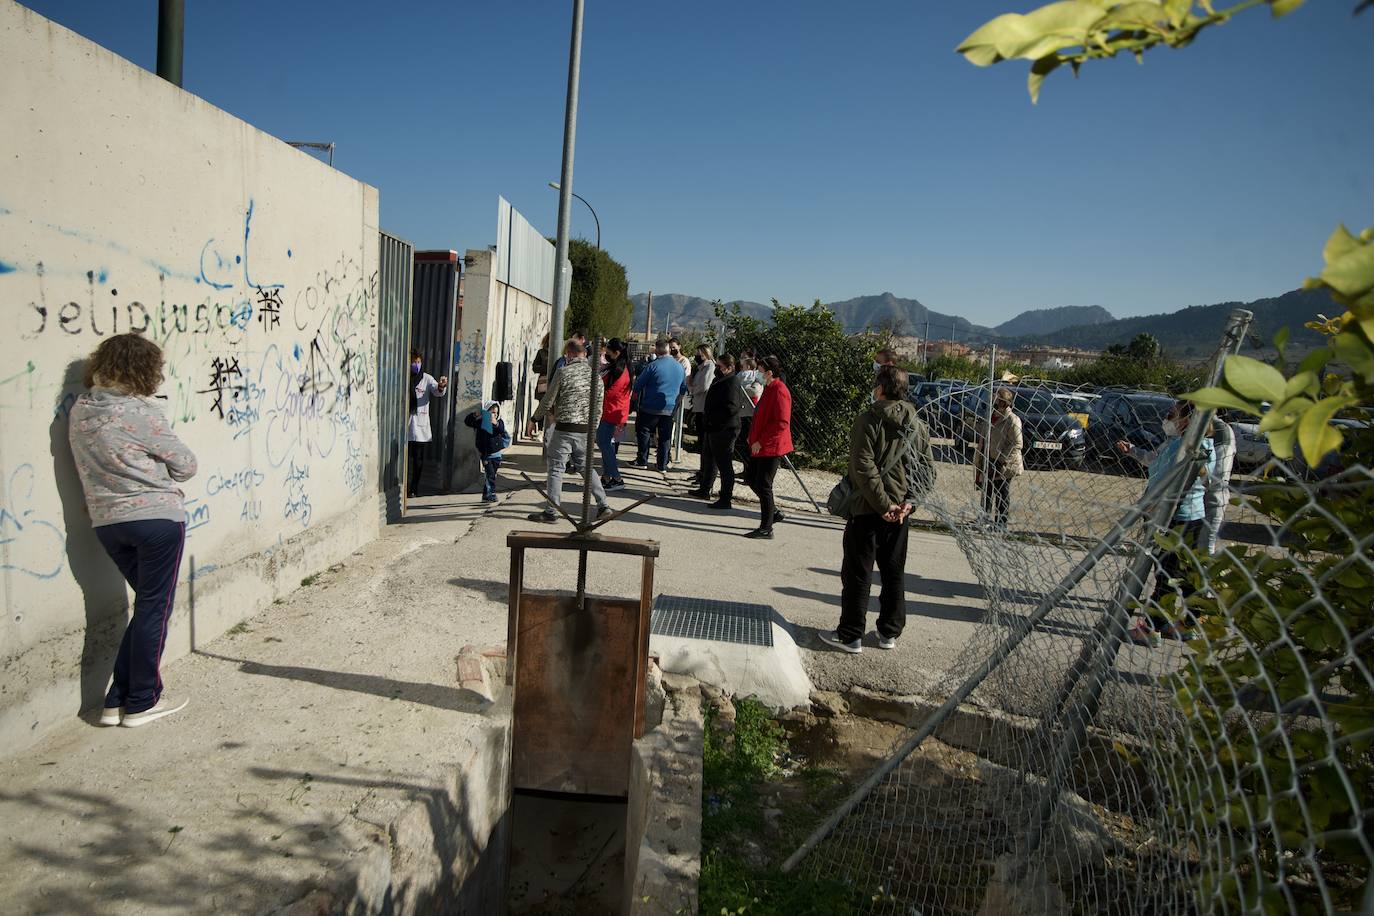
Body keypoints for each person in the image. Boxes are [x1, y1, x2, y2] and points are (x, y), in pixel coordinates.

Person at [69, 333, 198, 728]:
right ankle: (141, 702)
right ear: (145, 370)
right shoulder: (140, 412)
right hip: (155, 520)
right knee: (154, 609)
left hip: (107, 524)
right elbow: (186, 464)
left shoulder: (81, 410)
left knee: (146, 605)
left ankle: (115, 702)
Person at [820, 366, 934, 654]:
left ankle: (850, 635)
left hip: (867, 509)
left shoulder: (868, 420)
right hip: (900, 514)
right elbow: (927, 472)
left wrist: (883, 505)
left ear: (880, 388)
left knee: (858, 573)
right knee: (894, 572)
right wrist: (909, 503)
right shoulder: (918, 425)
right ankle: (889, 633)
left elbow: (862, 467)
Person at [1116, 400, 1216, 644]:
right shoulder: (1175, 443)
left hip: (1179, 519)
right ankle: (1175, 624)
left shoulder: (1196, 447)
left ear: (1187, 421)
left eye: (1172, 414)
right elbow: (1156, 462)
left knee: (1170, 575)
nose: (1167, 418)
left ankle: (1154, 628)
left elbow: (1187, 481)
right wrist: (1133, 451)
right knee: (1173, 574)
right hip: (1168, 516)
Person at [525, 339, 611, 522]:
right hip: (586, 430)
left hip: (564, 429)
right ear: (585, 355)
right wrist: (592, 430)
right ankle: (603, 505)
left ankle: (551, 511)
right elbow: (599, 408)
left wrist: (534, 420)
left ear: (569, 354)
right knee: (587, 468)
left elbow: (548, 400)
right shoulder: (596, 377)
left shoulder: (563, 372)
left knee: (556, 469)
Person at [745, 356, 793, 539]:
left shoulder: (780, 390)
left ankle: (766, 528)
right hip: (761, 445)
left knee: (764, 485)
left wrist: (761, 440)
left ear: (770, 372)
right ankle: (773, 512)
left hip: (771, 446)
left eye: (760, 369)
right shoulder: (770, 388)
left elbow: (781, 422)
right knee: (751, 478)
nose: (758, 373)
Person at [690, 353, 744, 508]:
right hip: (713, 428)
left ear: (729, 368)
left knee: (724, 463)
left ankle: (725, 497)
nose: (716, 369)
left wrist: (714, 420)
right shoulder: (720, 379)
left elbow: (732, 407)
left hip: (724, 429)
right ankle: (705, 488)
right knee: (709, 459)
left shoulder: (732, 382)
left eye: (719, 366)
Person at [631, 340, 688, 472]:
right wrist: (677, 402)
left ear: (657, 350)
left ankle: (642, 460)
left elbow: (639, 384)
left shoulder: (653, 366)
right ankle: (662, 465)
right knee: (664, 437)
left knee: (644, 432)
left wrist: (634, 397)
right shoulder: (679, 366)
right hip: (669, 407)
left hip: (650, 406)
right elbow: (683, 388)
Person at [972, 388, 1022, 532]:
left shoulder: (1012, 419)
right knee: (986, 491)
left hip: (1004, 464)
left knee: (1002, 493)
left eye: (996, 397)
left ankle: (1001, 524)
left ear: (1003, 402)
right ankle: (984, 519)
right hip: (989, 460)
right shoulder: (991, 416)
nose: (993, 399)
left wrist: (1001, 459)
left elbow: (1017, 444)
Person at [407, 349, 448, 498]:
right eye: (413, 362)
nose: (416, 365)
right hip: (406, 424)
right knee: (403, 457)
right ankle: (402, 485)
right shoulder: (403, 376)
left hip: (420, 425)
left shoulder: (426, 378)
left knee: (417, 459)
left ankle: (413, 488)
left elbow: (437, 391)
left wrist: (441, 385)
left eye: (418, 362)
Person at [598, 338, 632, 491]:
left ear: (616, 352)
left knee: (604, 443)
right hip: (610, 411)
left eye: (609, 351)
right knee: (606, 444)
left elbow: (612, 393)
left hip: (612, 412)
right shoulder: (618, 367)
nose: (606, 353)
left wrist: (598, 391)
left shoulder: (622, 371)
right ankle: (606, 477)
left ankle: (617, 478)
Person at [464, 400, 510, 502]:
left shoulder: (499, 422)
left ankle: (486, 494)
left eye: (496, 412)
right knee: (490, 475)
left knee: (492, 475)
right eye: (492, 412)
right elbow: (467, 422)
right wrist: (475, 414)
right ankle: (491, 494)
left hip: (497, 455)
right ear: (486, 412)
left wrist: (496, 423)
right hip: (486, 455)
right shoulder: (481, 422)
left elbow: (501, 429)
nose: (494, 414)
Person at [1203, 416, 1236, 555]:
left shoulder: (1221, 430)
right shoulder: (1194, 427)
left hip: (1211, 500)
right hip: (1191, 501)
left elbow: (1219, 474)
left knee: (1204, 549)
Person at [687, 344, 716, 482]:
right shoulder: (701, 368)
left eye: (700, 353)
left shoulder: (709, 367)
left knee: (705, 443)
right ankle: (701, 472)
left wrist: (692, 389)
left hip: (704, 408)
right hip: (699, 407)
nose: (697, 356)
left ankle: (704, 474)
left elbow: (704, 385)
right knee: (701, 443)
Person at [735, 354, 765, 483]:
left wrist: (742, 388)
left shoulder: (756, 377)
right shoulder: (742, 376)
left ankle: (750, 473)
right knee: (742, 443)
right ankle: (746, 469)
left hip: (750, 413)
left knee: (749, 443)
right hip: (742, 412)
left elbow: (755, 391)